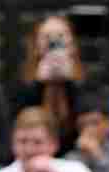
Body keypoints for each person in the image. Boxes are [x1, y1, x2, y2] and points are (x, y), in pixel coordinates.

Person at [12, 15, 88, 156]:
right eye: (47, 37)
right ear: (36, 45)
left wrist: (71, 84)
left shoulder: (86, 83)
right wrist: (38, 84)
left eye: (60, 36)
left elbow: (86, 125)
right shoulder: (21, 84)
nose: (54, 42)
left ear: (72, 44)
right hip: (32, 155)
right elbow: (18, 126)